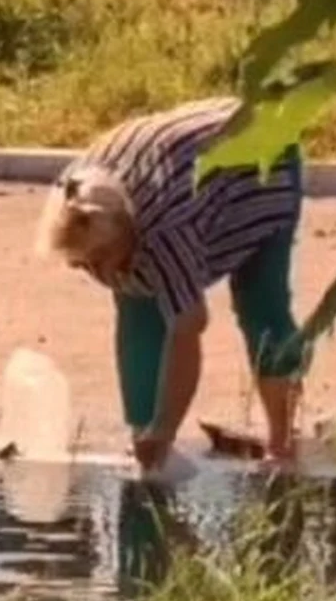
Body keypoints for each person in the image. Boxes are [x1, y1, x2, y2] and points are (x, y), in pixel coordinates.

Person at [38, 96, 306, 474]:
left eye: (98, 261)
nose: (93, 272)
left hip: (261, 159)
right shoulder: (75, 197)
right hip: (188, 166)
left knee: (259, 303)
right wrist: (149, 437)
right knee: (137, 300)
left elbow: (188, 327)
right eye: (82, 263)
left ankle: (283, 444)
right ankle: (141, 435)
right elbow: (136, 317)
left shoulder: (166, 232)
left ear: (128, 238)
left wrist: (166, 430)